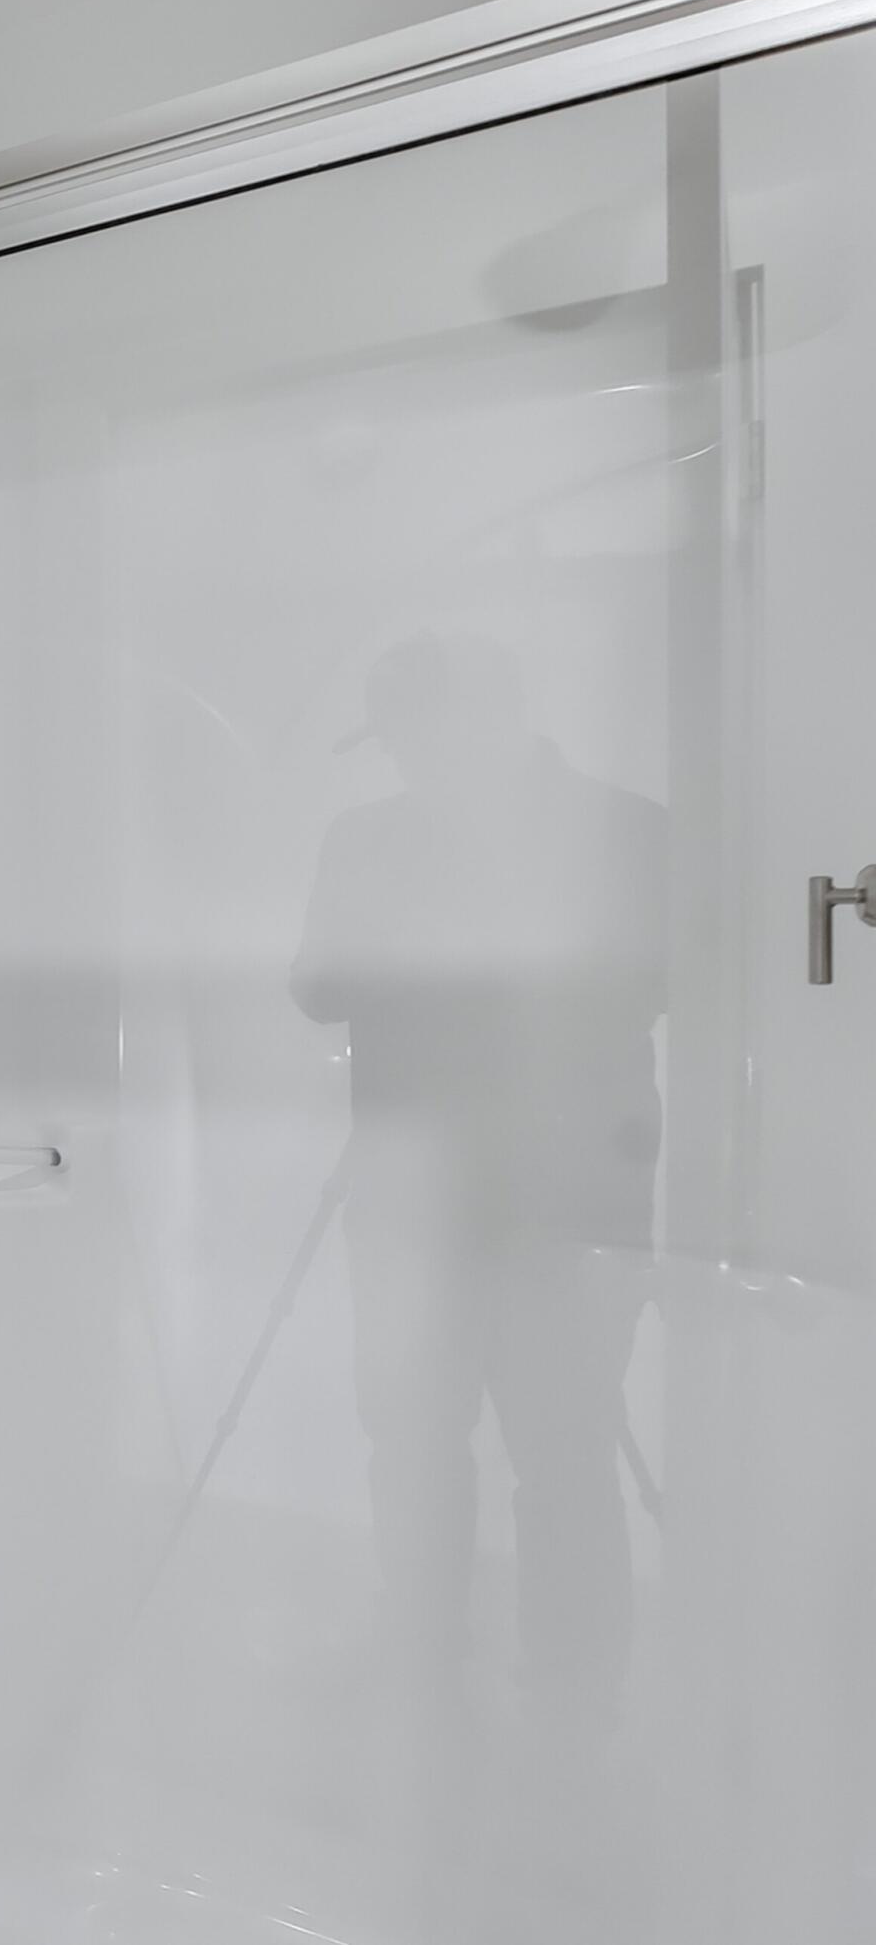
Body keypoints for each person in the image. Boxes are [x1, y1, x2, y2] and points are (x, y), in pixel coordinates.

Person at [291, 632, 665, 1735]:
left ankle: (573, 1700)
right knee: (411, 1436)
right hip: (411, 1194)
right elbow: (314, 987)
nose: (403, 754)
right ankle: (422, 1663)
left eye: (416, 727)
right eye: (395, 734)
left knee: (564, 1451)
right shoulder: (366, 836)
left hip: (571, 1198)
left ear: (487, 715)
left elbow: (669, 975)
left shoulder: (627, 831)